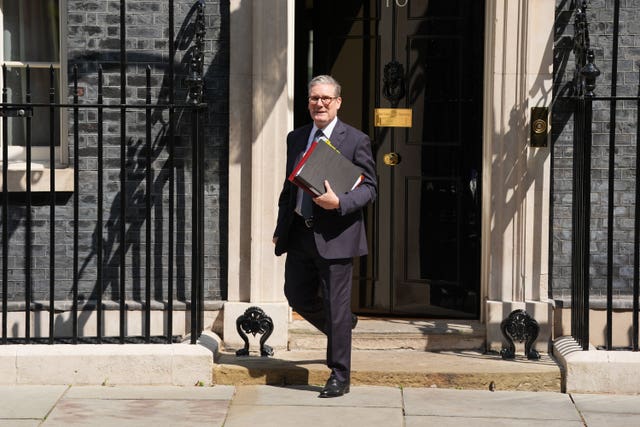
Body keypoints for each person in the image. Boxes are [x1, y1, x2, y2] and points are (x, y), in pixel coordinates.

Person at [273, 75, 377, 398]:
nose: (320, 104)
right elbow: (289, 188)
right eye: (315, 98)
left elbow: (370, 188)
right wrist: (280, 228)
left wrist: (340, 203)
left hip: (337, 235)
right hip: (301, 234)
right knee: (296, 295)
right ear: (308, 103)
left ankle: (339, 375)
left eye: (326, 99)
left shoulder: (355, 140)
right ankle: (343, 324)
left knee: (336, 304)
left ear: (338, 103)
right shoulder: (296, 138)